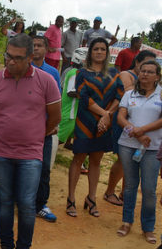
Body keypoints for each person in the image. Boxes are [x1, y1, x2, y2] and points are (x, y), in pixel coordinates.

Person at [0, 34, 61, 249]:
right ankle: (6, 248)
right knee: (5, 202)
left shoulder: (46, 81)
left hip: (30, 155)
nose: (11, 62)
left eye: (17, 58)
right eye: (8, 56)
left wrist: (35, 137)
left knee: (26, 205)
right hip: (1, 153)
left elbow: (55, 118)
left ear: (30, 58)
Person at [66, 37, 124, 218]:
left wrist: (107, 116)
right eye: (96, 49)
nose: (99, 52)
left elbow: (119, 95)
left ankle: (91, 198)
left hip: (105, 124)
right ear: (90, 52)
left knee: (96, 161)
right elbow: (84, 97)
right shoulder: (82, 73)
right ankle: (71, 199)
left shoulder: (114, 73)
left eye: (103, 49)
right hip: (86, 122)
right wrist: (105, 114)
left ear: (107, 53)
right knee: (78, 158)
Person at [116, 60, 162, 244]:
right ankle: (126, 222)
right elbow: (120, 117)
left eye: (150, 72)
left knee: (149, 190)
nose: (145, 74)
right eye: (143, 71)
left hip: (152, 148)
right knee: (129, 186)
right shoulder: (129, 94)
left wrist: (142, 131)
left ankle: (148, 227)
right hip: (128, 145)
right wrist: (134, 131)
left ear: (157, 76)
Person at [103, 50, 157, 206]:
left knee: (136, 159)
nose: (148, 67)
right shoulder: (127, 75)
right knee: (123, 160)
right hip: (124, 123)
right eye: (146, 63)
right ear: (137, 62)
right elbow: (130, 93)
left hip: (144, 128)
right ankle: (110, 192)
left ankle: (125, 193)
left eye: (152, 65)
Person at [31, 35, 62, 223]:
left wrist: (53, 124)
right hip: (24, 130)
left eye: (39, 45)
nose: (35, 48)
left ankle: (40, 205)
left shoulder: (53, 73)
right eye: (32, 45)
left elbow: (55, 102)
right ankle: (24, 203)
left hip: (45, 130)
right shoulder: (20, 69)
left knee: (43, 169)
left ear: (47, 49)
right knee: (23, 167)